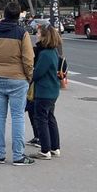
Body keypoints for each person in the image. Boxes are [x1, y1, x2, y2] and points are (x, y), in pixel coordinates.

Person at [0, 1, 35, 165]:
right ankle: (18, 155)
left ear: (3, 14)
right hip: (17, 78)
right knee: (18, 117)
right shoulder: (22, 33)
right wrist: (29, 76)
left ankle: (0, 154)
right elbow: (28, 59)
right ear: (18, 15)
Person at [30, 24, 63, 159]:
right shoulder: (54, 51)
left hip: (44, 91)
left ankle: (45, 150)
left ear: (44, 36)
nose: (36, 35)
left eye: (38, 33)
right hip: (52, 90)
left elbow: (38, 74)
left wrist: (31, 73)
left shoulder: (44, 54)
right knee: (50, 118)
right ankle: (55, 147)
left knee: (41, 120)